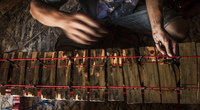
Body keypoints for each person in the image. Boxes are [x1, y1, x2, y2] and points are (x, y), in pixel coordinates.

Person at [29, 0, 189, 57]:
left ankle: (126, 27)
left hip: (131, 10)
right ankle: (114, 28)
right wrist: (64, 20)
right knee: (65, 55)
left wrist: (156, 27)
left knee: (179, 30)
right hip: (93, 16)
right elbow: (35, 7)